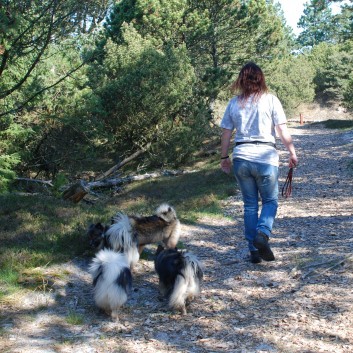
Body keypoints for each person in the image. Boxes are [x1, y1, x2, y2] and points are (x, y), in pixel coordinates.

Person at [220, 62, 298, 264]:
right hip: (265, 157)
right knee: (270, 201)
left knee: (250, 205)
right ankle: (262, 233)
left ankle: (254, 250)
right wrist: (292, 152)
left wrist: (223, 157)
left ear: (241, 80)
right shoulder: (271, 100)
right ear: (261, 78)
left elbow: (226, 132)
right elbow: (282, 130)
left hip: (242, 157)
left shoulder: (234, 103)